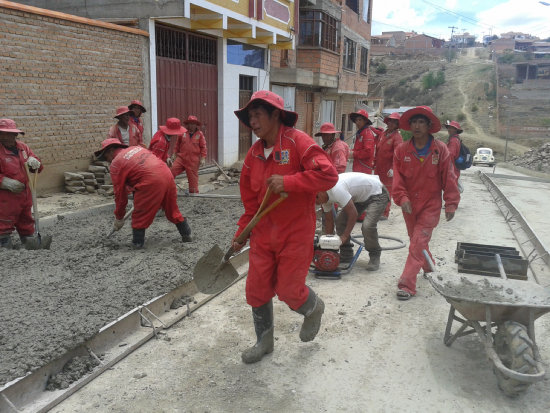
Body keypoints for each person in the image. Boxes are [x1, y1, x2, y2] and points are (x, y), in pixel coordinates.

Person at [232, 90, 338, 363]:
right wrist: (241, 234)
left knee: (290, 291)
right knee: (256, 290)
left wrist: (289, 182)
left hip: (295, 232)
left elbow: (328, 175)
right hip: (263, 235)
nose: (252, 122)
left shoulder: (298, 142)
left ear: (275, 114)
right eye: (249, 117)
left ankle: (313, 308)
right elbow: (250, 204)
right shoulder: (253, 155)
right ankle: (264, 342)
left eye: (257, 115)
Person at [392, 106, 460, 300]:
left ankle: (406, 285)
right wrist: (402, 198)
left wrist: (451, 203)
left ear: (429, 125)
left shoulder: (440, 149)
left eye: (421, 122)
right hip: (409, 205)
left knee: (417, 242)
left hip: (431, 204)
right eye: (414, 122)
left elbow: (449, 177)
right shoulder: (401, 150)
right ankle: (429, 266)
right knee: (416, 240)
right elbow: (398, 180)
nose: (417, 126)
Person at [94, 138, 192, 248]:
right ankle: (186, 234)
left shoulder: (116, 164)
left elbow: (120, 196)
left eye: (106, 157)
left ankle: (137, 243)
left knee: (139, 215)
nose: (108, 161)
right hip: (166, 175)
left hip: (150, 181)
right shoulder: (137, 148)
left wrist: (119, 217)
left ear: (111, 151)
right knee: (172, 209)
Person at [316, 172, 389, 271]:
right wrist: (327, 245)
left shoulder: (336, 189)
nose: (317, 202)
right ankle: (346, 254)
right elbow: (329, 221)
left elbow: (353, 214)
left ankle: (374, 254)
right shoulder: (323, 197)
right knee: (340, 220)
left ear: (320, 191)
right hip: (359, 197)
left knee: (367, 226)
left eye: (316, 199)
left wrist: (344, 236)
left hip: (377, 193)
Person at [0, 119, 44, 248]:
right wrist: (4, 181)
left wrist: (35, 162)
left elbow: (37, 167)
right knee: (4, 221)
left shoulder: (23, 148)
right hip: (5, 198)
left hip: (25, 193)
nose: (8, 137)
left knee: (26, 220)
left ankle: (28, 241)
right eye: (4, 134)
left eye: (12, 134)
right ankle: (4, 245)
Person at [375, 112, 403, 219]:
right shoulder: (383, 134)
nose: (391, 123)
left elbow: (398, 155)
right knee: (377, 189)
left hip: (388, 169)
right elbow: (377, 149)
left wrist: (393, 168)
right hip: (379, 167)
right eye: (390, 121)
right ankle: (378, 211)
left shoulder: (397, 137)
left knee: (386, 190)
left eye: (394, 122)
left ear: (397, 125)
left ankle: (385, 212)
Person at [170, 115, 207, 193]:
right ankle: (168, 189)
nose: (192, 125)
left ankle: (194, 195)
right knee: (170, 172)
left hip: (193, 161)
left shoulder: (200, 134)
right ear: (188, 124)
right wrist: (174, 154)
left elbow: (203, 147)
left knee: (193, 181)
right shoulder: (182, 133)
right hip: (181, 158)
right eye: (190, 123)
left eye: (193, 124)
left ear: (196, 125)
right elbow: (177, 144)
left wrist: (203, 158)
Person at [350, 109, 376, 174]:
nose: (357, 122)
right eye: (356, 120)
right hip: (358, 168)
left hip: (364, 170)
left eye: (360, 120)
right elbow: (358, 149)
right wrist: (351, 151)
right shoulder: (361, 133)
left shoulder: (367, 134)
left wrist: (353, 154)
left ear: (365, 121)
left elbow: (368, 152)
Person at [444, 120, 464, 193]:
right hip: (454, 169)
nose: (449, 129)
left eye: (451, 128)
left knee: (452, 190)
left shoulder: (453, 141)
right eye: (448, 127)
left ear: (456, 130)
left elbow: (450, 155)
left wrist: (447, 169)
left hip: (452, 169)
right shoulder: (456, 139)